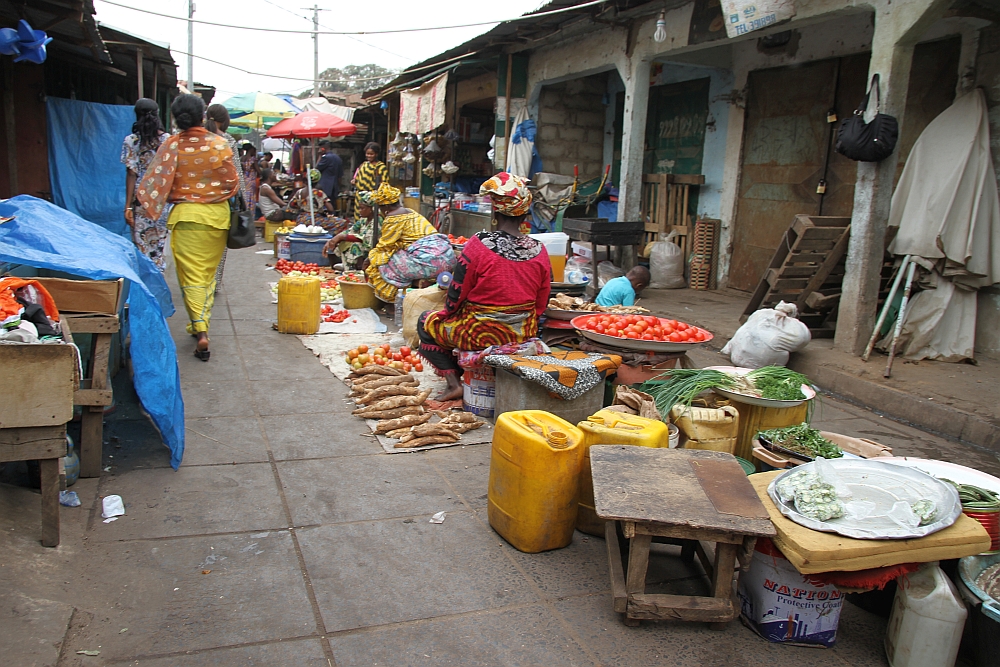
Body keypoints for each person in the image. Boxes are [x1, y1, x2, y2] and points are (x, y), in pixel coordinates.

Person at [417, 172, 550, 400]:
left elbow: (456, 295)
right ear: (525, 214)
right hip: (522, 332)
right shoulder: (540, 250)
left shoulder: (478, 245)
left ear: (495, 212)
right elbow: (542, 302)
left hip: (480, 333)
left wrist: (445, 314)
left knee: (426, 321)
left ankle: (454, 383)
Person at [137, 94, 239, 362]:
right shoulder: (220, 144)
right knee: (207, 276)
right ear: (202, 116)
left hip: (185, 218)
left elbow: (153, 184)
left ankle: (200, 327)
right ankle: (199, 325)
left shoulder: (171, 145)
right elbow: (232, 183)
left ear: (175, 118)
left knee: (189, 278)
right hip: (217, 219)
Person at [364, 182, 456, 303]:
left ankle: (394, 302)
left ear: (384, 207)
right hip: (448, 257)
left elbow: (384, 246)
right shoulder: (411, 212)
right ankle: (415, 286)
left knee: (381, 261)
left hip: (429, 262)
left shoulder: (393, 218)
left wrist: (368, 259)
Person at [121, 98, 171, 270]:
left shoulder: (131, 141)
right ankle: (160, 283)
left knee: (142, 247)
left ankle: (147, 289)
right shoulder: (167, 140)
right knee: (160, 246)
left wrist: (128, 207)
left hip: (140, 202)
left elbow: (131, 173)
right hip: (162, 202)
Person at [205, 104, 248, 292]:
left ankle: (200, 283)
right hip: (221, 202)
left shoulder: (196, 138)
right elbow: (236, 174)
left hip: (195, 201)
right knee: (218, 247)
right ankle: (214, 283)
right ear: (225, 120)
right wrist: (244, 201)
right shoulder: (227, 140)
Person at [323, 190, 377, 269]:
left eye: (362, 208)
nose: (359, 211)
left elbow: (366, 239)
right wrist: (335, 239)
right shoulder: (363, 220)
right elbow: (351, 230)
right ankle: (347, 264)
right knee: (340, 242)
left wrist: (342, 237)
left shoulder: (377, 221)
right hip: (365, 246)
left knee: (356, 245)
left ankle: (358, 268)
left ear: (371, 209)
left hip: (373, 249)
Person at [352, 141, 388, 211]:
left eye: (371, 154)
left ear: (376, 154)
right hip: (359, 196)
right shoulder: (363, 165)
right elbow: (357, 177)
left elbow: (384, 183)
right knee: (359, 216)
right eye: (367, 154)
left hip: (371, 196)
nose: (369, 156)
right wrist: (355, 180)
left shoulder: (380, 167)